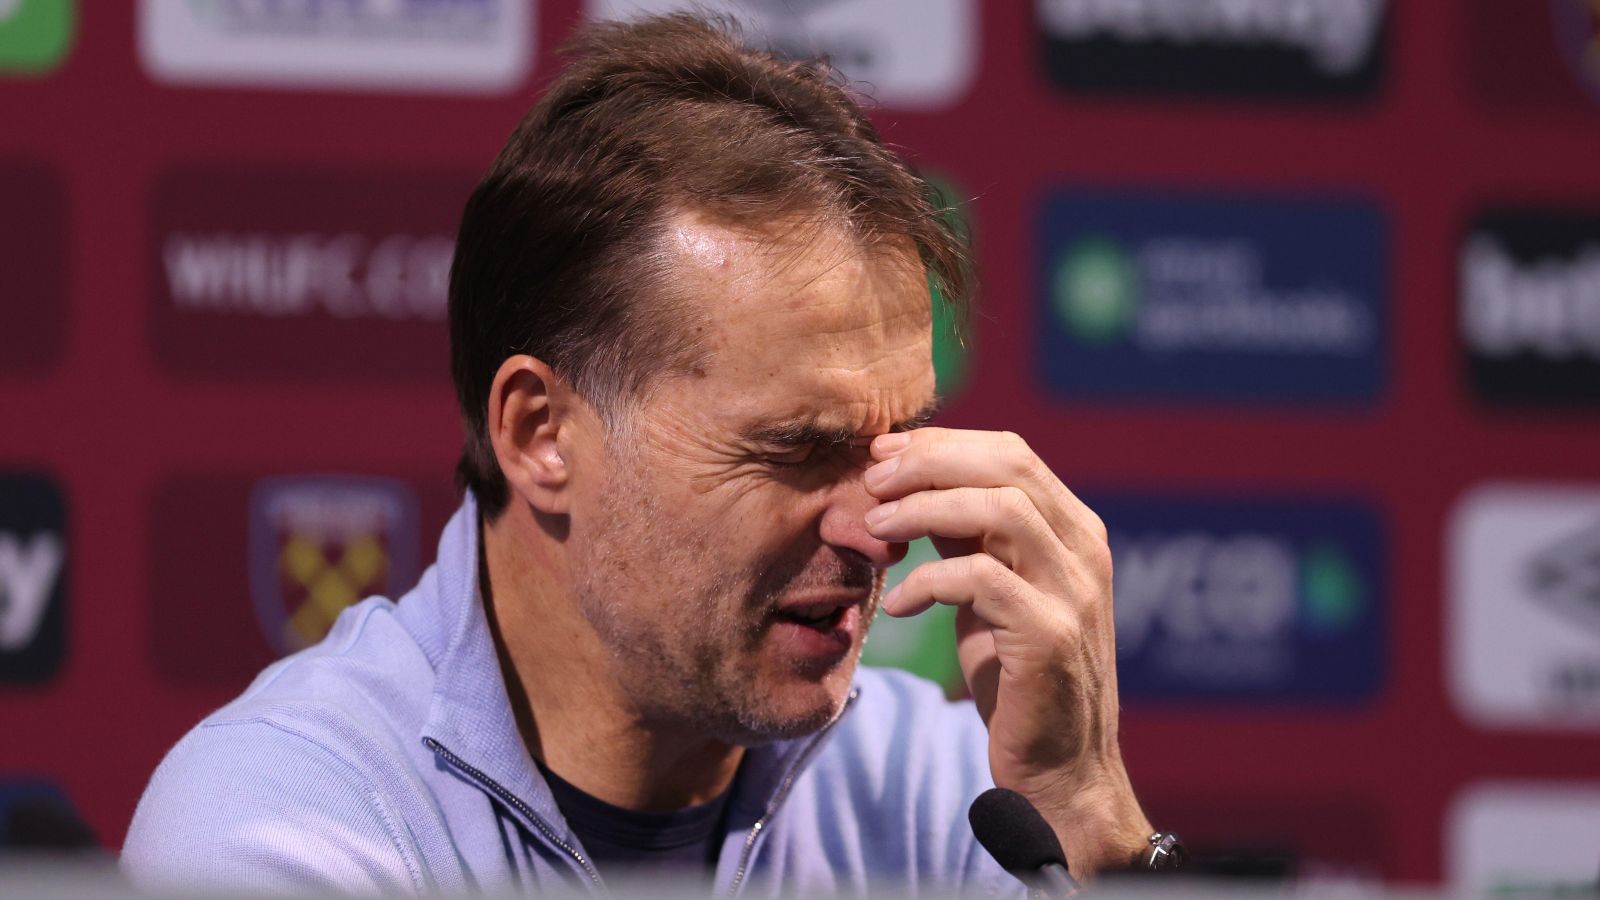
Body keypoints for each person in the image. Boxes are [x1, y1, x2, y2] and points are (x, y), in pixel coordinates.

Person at [122, 14, 1163, 896]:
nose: (873, 526)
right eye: (796, 450)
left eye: (899, 446)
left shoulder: (952, 793)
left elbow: (1069, 828)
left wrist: (1085, 808)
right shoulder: (283, 827)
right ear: (539, 434)